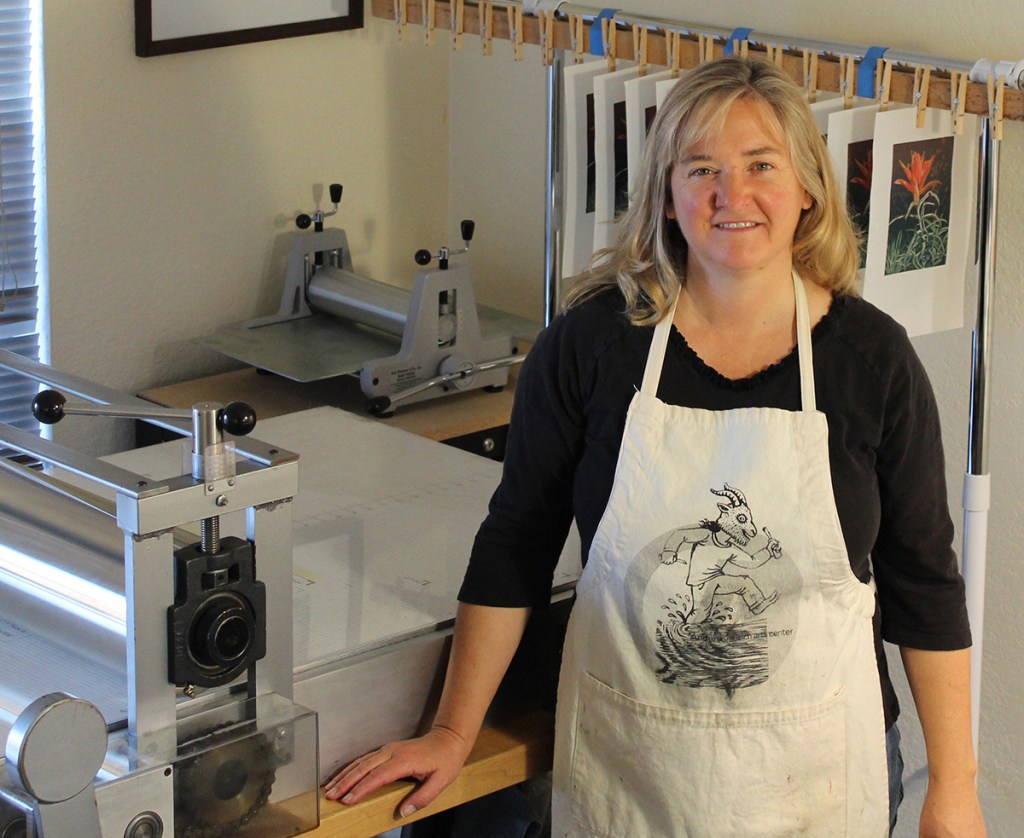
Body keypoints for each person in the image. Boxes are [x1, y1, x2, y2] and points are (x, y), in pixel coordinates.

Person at [325, 56, 985, 836]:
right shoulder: (589, 347)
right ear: (667, 195)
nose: (731, 195)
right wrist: (451, 731)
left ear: (807, 188)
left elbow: (924, 582)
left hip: (819, 774)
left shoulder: (872, 361)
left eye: (761, 165)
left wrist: (954, 786)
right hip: (632, 767)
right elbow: (516, 546)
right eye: (701, 168)